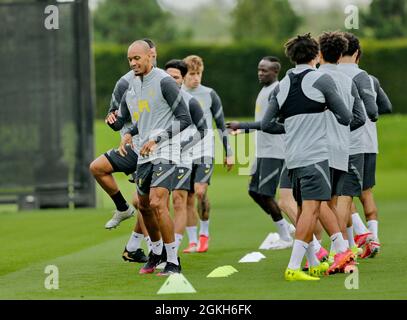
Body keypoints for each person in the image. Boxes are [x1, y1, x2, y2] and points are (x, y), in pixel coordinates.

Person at [261, 33, 353, 280]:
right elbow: (345, 117)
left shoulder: (280, 87)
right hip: (316, 156)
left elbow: (267, 124)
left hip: (292, 158)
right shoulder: (321, 80)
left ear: (291, 57)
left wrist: (291, 126)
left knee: (304, 210)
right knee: (311, 211)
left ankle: (314, 264)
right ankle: (293, 268)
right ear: (316, 55)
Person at [119, 40, 192, 276]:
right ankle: (157, 253)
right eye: (130, 59)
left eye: (137, 58)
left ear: (150, 56)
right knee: (143, 205)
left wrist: (158, 139)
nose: (133, 63)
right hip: (145, 154)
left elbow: (184, 118)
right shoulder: (135, 85)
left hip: (166, 150)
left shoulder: (164, 81)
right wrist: (129, 133)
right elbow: (145, 120)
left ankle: (173, 261)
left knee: (158, 203)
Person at [225, 56, 294, 249]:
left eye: (265, 70)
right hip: (262, 150)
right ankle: (286, 228)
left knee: (266, 193)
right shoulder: (265, 90)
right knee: (254, 191)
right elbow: (263, 123)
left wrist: (243, 124)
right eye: (259, 69)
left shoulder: (278, 91)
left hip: (275, 151)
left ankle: (286, 238)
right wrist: (243, 129)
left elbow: (269, 123)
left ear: (275, 72)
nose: (260, 73)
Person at [316, 31, 367, 269]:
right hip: (342, 149)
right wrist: (342, 131)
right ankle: (344, 259)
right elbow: (360, 117)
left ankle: (341, 251)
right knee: (333, 203)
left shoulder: (314, 78)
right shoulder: (349, 81)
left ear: (320, 52)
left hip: (318, 149)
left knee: (315, 203)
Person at [181, 55, 234, 253]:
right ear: (185, 75)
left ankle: (204, 233)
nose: (196, 78)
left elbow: (221, 126)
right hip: (184, 153)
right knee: (186, 198)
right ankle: (193, 241)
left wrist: (228, 152)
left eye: (199, 74)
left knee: (200, 192)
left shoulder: (210, 94)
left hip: (205, 151)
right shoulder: (177, 94)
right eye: (192, 74)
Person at [338, 32, 382, 258]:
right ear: (357, 53)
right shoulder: (368, 77)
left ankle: (359, 235)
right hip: (369, 142)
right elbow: (382, 108)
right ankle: (372, 239)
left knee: (343, 194)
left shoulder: (329, 75)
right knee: (366, 192)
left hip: (346, 144)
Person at [164, 59, 208, 252]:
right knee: (156, 203)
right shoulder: (157, 99)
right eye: (168, 77)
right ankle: (157, 247)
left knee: (179, 201)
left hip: (183, 158)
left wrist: (182, 146)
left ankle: (172, 249)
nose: (171, 81)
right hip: (158, 157)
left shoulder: (190, 102)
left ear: (182, 79)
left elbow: (203, 130)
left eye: (175, 77)